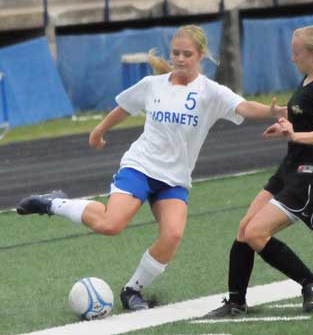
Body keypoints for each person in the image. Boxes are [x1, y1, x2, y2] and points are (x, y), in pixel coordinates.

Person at [16, 24, 286, 311]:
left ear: (201, 55)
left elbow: (243, 107)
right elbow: (125, 107)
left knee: (172, 235)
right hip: (140, 167)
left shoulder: (211, 92)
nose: (180, 59)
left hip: (174, 180)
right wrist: (99, 129)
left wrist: (271, 111)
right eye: (176, 53)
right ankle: (53, 204)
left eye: (187, 54)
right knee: (111, 224)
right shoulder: (153, 85)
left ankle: (132, 290)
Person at [206, 25, 313, 317]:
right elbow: (304, 113)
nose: (292, 58)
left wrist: (295, 135)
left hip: (311, 175)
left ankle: (311, 282)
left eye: (296, 52)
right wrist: (284, 122)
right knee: (244, 228)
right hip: (290, 168)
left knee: (255, 232)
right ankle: (236, 303)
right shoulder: (308, 79)